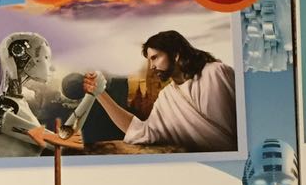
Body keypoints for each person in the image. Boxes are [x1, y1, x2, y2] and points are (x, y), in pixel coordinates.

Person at [86, 30, 236, 151]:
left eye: (155, 58)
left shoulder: (216, 72)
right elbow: (142, 132)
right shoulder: (166, 97)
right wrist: (99, 93)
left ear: (175, 55)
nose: (151, 66)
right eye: (149, 60)